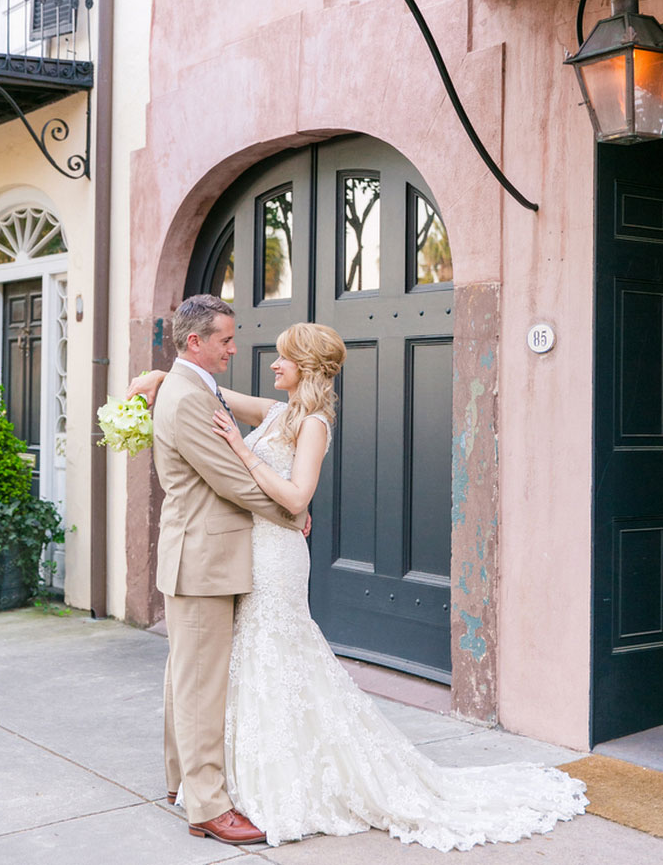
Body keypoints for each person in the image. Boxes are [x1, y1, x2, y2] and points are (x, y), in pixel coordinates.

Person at [131, 318, 587, 851]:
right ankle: (238, 778)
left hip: (275, 554)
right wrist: (162, 379)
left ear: (304, 367)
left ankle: (268, 783)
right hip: (247, 551)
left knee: (277, 654)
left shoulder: (315, 422)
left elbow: (298, 499)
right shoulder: (279, 410)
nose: (271, 363)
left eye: (282, 358)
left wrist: (245, 452)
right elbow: (212, 390)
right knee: (245, 663)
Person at [144, 294, 308, 846]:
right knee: (200, 685)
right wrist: (292, 511)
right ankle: (208, 807)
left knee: (186, 676)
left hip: (202, 554)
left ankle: (181, 781)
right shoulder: (188, 396)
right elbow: (230, 480)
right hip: (203, 558)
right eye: (226, 340)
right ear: (196, 342)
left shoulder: (190, 384)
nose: (235, 348)